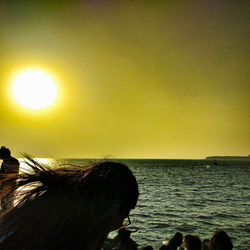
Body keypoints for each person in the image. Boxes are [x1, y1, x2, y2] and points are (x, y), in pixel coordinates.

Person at [0, 157, 139, 250]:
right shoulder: (65, 240)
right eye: (123, 219)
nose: (116, 227)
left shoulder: (39, 219)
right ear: (113, 209)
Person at [0, 146, 19, 213]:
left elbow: (3, 175)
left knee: (7, 205)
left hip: (7, 186)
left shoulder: (8, 162)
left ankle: (7, 219)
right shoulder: (15, 161)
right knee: (7, 204)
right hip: (10, 185)